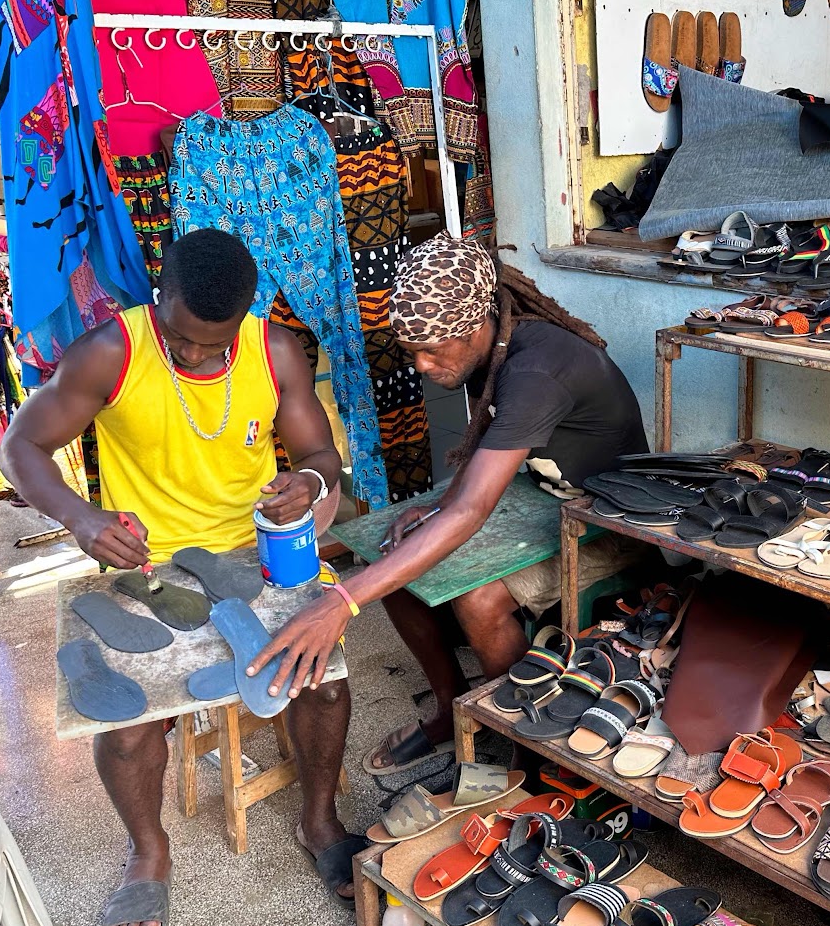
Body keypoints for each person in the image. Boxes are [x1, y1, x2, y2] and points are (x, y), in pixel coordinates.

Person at [0, 228, 361, 926]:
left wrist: (311, 482)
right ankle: (148, 850)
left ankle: (318, 820)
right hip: (147, 563)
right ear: (157, 297)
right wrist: (79, 517)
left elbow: (321, 455)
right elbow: (20, 447)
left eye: (213, 344)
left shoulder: (274, 352)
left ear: (246, 317)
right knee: (125, 719)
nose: (196, 356)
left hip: (257, 551)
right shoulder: (111, 351)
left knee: (323, 679)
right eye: (182, 340)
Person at [247, 234, 647, 774]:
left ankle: (532, 743)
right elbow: (485, 461)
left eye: (432, 349)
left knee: (479, 600)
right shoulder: (493, 349)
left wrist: (340, 600)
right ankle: (450, 707)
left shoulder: (536, 371)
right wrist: (440, 505)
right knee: (389, 552)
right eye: (412, 351)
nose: (421, 365)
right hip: (544, 494)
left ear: (475, 326)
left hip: (610, 522)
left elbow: (471, 511)